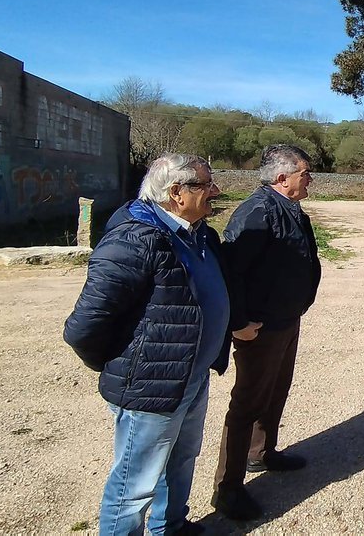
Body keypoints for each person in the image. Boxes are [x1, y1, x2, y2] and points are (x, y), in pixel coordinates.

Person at [64, 153, 231, 535]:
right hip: (151, 386)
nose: (215, 191)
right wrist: (131, 369)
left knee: (181, 459)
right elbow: (84, 328)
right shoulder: (134, 239)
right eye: (205, 184)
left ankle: (168, 527)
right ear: (177, 193)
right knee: (133, 486)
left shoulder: (198, 231)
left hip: (192, 376)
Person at [211, 144, 322, 521]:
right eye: (305, 173)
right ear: (281, 178)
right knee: (247, 403)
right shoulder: (257, 212)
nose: (310, 179)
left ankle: (263, 452)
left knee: (276, 389)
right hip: (259, 327)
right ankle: (228, 490)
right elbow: (231, 272)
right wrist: (238, 322)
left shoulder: (291, 209)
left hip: (286, 319)